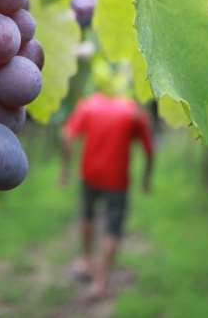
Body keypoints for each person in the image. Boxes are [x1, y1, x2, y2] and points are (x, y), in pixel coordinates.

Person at [60, 89, 154, 299]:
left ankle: (86, 261)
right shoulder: (133, 111)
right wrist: (146, 179)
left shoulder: (88, 105)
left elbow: (67, 136)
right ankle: (100, 283)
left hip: (89, 174)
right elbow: (149, 149)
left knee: (87, 216)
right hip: (117, 179)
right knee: (113, 228)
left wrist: (65, 170)